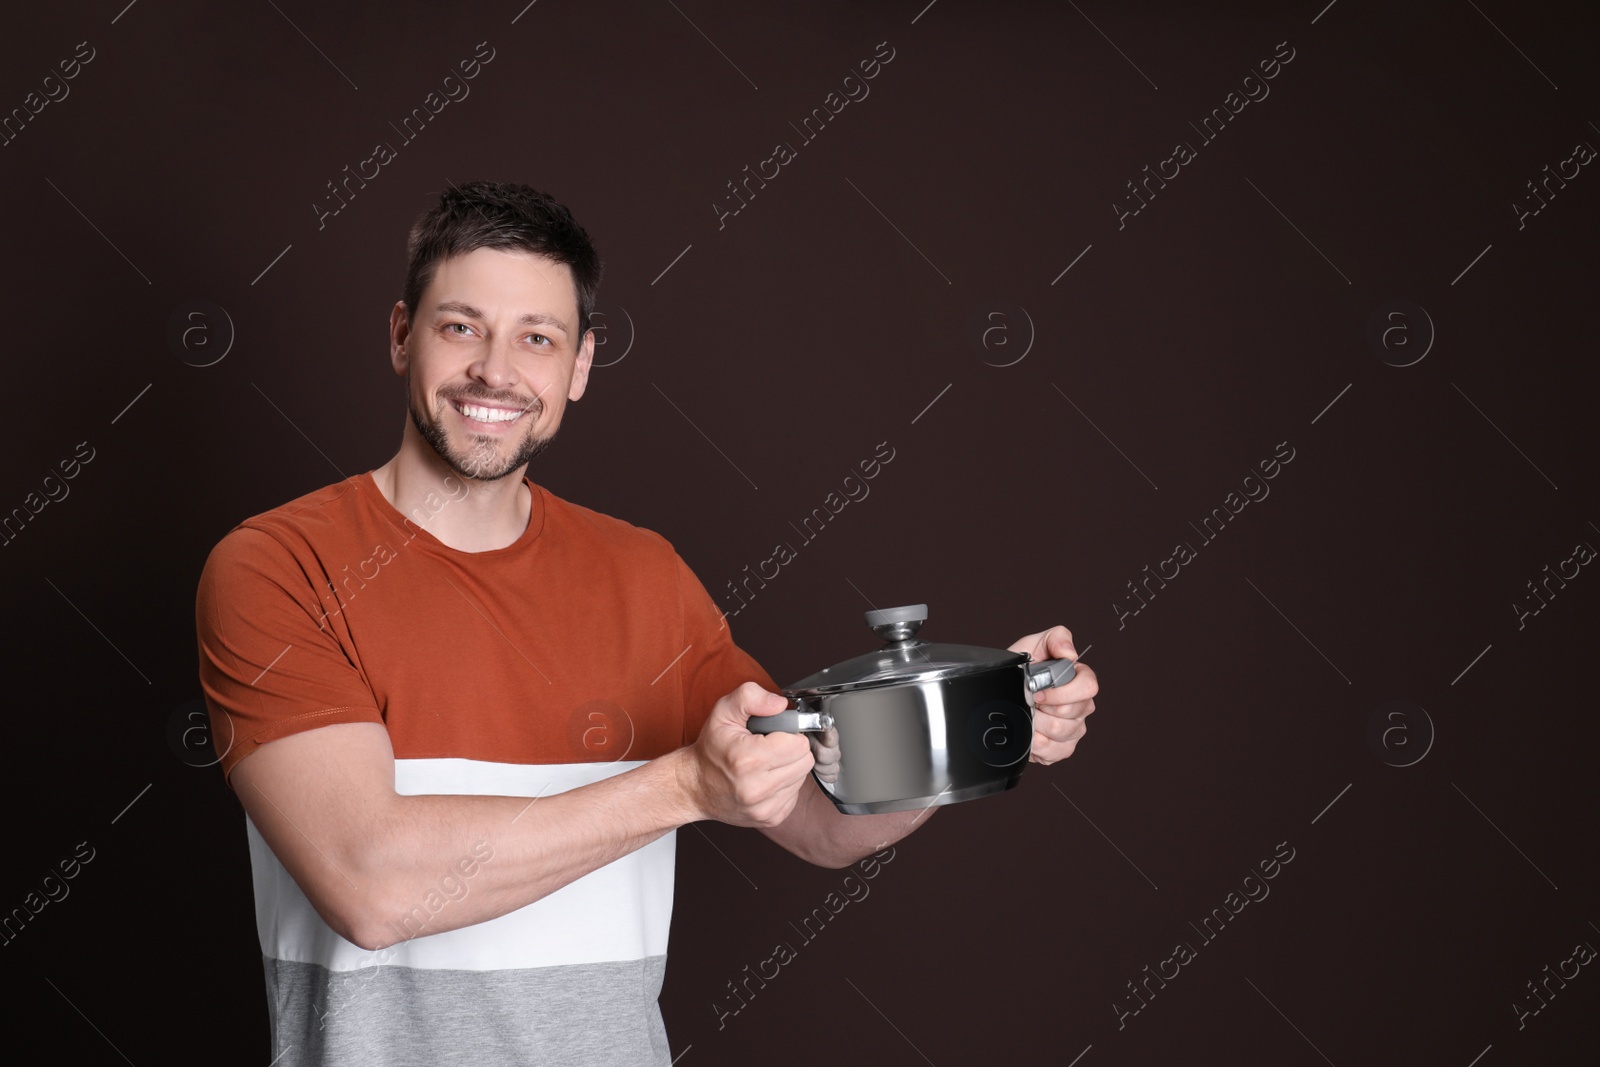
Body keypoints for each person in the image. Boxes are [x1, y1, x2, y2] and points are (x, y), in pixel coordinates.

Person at [195, 180, 1099, 1065]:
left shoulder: (644, 575)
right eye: (460, 325)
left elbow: (819, 819)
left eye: (537, 338)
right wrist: (685, 787)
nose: (496, 371)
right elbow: (371, 884)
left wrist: (975, 726)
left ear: (580, 366)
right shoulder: (277, 566)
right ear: (402, 336)